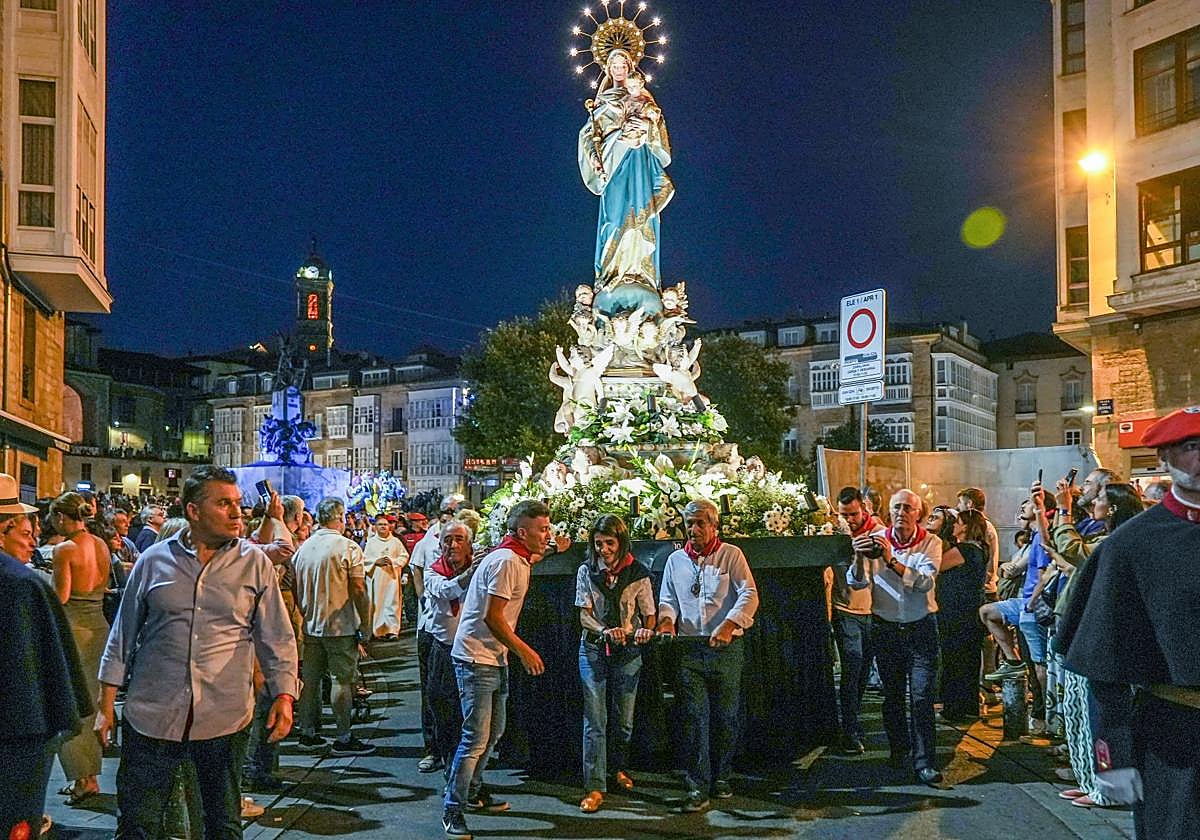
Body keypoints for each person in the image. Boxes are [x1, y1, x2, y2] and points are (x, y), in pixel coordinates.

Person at [96, 466, 299, 840]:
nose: (238, 512)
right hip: (153, 713)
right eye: (224, 504)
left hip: (224, 716)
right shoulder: (153, 561)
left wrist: (285, 696)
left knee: (221, 823)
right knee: (138, 823)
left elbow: (277, 637)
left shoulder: (254, 564)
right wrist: (105, 705)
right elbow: (122, 636)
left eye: (237, 503)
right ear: (193, 511)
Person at [1058, 407, 1200, 839]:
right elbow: (1106, 661)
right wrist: (1112, 754)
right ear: (1165, 460)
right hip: (1176, 735)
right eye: (1192, 447)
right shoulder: (1130, 545)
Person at [442, 500, 551, 840]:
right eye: (543, 530)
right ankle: (452, 808)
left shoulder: (515, 556)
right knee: (475, 738)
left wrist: (551, 550)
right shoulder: (506, 562)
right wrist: (524, 651)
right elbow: (493, 616)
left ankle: (473, 792)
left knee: (494, 732)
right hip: (477, 658)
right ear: (522, 532)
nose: (548, 535)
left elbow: (531, 557)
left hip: (493, 657)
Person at [0, 490, 92, 840]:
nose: (33, 540)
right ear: (6, 527)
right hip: (17, 736)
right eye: (26, 533)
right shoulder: (21, 584)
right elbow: (41, 669)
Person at [1046, 479, 1143, 808]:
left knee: (1108, 721)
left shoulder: (1116, 539)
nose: (1092, 501)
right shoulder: (1109, 535)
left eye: (1098, 496)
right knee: (1087, 716)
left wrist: (1063, 510)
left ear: (1113, 507)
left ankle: (1113, 793)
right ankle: (1095, 783)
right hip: (1094, 638)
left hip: (1108, 642)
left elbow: (1075, 551)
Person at [657, 499, 759, 812]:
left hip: (725, 648)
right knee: (694, 716)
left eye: (701, 523)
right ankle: (697, 785)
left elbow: (749, 594)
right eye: (690, 523)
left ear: (714, 526)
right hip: (689, 648)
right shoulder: (676, 560)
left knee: (726, 717)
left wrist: (730, 625)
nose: (694, 529)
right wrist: (665, 621)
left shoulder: (731, 555)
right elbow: (667, 599)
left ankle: (722, 775)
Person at [848, 489, 943, 785]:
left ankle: (924, 761)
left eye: (908, 508)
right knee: (892, 697)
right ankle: (899, 750)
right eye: (896, 507)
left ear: (919, 514)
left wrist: (889, 560)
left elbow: (925, 583)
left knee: (922, 696)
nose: (901, 513)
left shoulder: (931, 542)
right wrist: (858, 555)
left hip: (921, 627)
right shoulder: (877, 539)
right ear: (889, 512)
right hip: (886, 627)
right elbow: (857, 582)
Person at [577, 47, 674, 317]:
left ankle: (640, 273)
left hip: (640, 160)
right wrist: (612, 142)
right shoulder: (601, 102)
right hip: (614, 161)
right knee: (614, 220)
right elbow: (588, 136)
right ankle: (611, 276)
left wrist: (646, 128)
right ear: (608, 70)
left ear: (631, 69)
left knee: (642, 211)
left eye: (623, 65)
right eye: (614, 66)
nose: (619, 70)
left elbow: (657, 126)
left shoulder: (643, 97)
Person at [575, 514, 656, 813]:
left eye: (609, 543)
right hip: (594, 649)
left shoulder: (638, 572)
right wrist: (604, 631)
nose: (604, 550)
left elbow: (649, 615)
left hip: (628, 651)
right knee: (595, 721)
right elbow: (584, 615)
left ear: (621, 542)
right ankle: (594, 786)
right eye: (598, 544)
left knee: (624, 721)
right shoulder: (586, 571)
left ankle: (618, 768)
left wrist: (645, 630)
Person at [292, 497, 375, 756]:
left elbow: (294, 586)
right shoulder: (347, 548)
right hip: (340, 625)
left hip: (311, 624)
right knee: (341, 680)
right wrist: (366, 622)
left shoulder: (303, 549)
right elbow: (358, 589)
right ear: (339, 517)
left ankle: (308, 732)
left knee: (311, 680)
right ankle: (343, 735)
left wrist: (305, 611)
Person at [48, 492, 112, 805]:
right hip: (99, 628)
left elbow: (60, 597)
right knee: (91, 706)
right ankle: (91, 778)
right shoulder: (100, 544)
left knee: (71, 706)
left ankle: (82, 780)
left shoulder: (64, 549)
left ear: (62, 517)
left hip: (74, 631)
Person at [422, 517, 481, 787]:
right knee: (442, 709)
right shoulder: (434, 571)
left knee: (469, 715)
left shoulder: (480, 567)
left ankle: (469, 776)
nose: (453, 545)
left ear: (469, 544)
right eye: (448, 540)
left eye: (459, 539)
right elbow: (444, 591)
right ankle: (446, 762)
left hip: (471, 650)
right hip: (444, 649)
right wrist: (467, 576)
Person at [830, 487, 883, 755]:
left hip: (873, 611)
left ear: (864, 508)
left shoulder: (877, 531)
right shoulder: (838, 536)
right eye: (844, 514)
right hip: (846, 608)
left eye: (852, 514)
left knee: (862, 671)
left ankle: (853, 721)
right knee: (852, 665)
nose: (849, 520)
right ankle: (848, 729)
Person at [411, 502, 457, 774]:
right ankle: (433, 748)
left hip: (457, 635)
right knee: (432, 692)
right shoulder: (428, 546)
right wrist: (422, 597)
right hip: (430, 629)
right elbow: (417, 569)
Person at [935, 508, 989, 723]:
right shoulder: (979, 549)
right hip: (969, 612)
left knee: (954, 660)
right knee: (969, 661)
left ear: (966, 526)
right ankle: (968, 706)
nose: (954, 525)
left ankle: (953, 709)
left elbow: (937, 565)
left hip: (956, 614)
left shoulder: (965, 550)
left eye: (957, 521)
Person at [363, 515, 409, 640]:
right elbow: (365, 559)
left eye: (385, 524)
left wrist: (393, 562)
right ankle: (378, 630)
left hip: (392, 578)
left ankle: (392, 630)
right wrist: (375, 562)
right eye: (380, 524)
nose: (383, 527)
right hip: (376, 579)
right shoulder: (371, 542)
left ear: (389, 526)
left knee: (392, 603)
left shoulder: (396, 542)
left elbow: (404, 556)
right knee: (377, 604)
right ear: (375, 527)